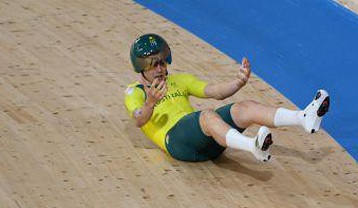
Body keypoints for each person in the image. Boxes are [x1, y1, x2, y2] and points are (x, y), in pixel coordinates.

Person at [124, 33, 330, 162]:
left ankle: (303, 118)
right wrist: (150, 102)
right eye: (153, 64)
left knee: (244, 107)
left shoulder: (180, 80)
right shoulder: (135, 92)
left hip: (205, 141)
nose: (160, 68)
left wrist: (237, 83)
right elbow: (139, 120)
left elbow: (214, 91)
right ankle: (252, 146)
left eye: (163, 62)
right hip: (177, 144)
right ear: (141, 68)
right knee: (206, 115)